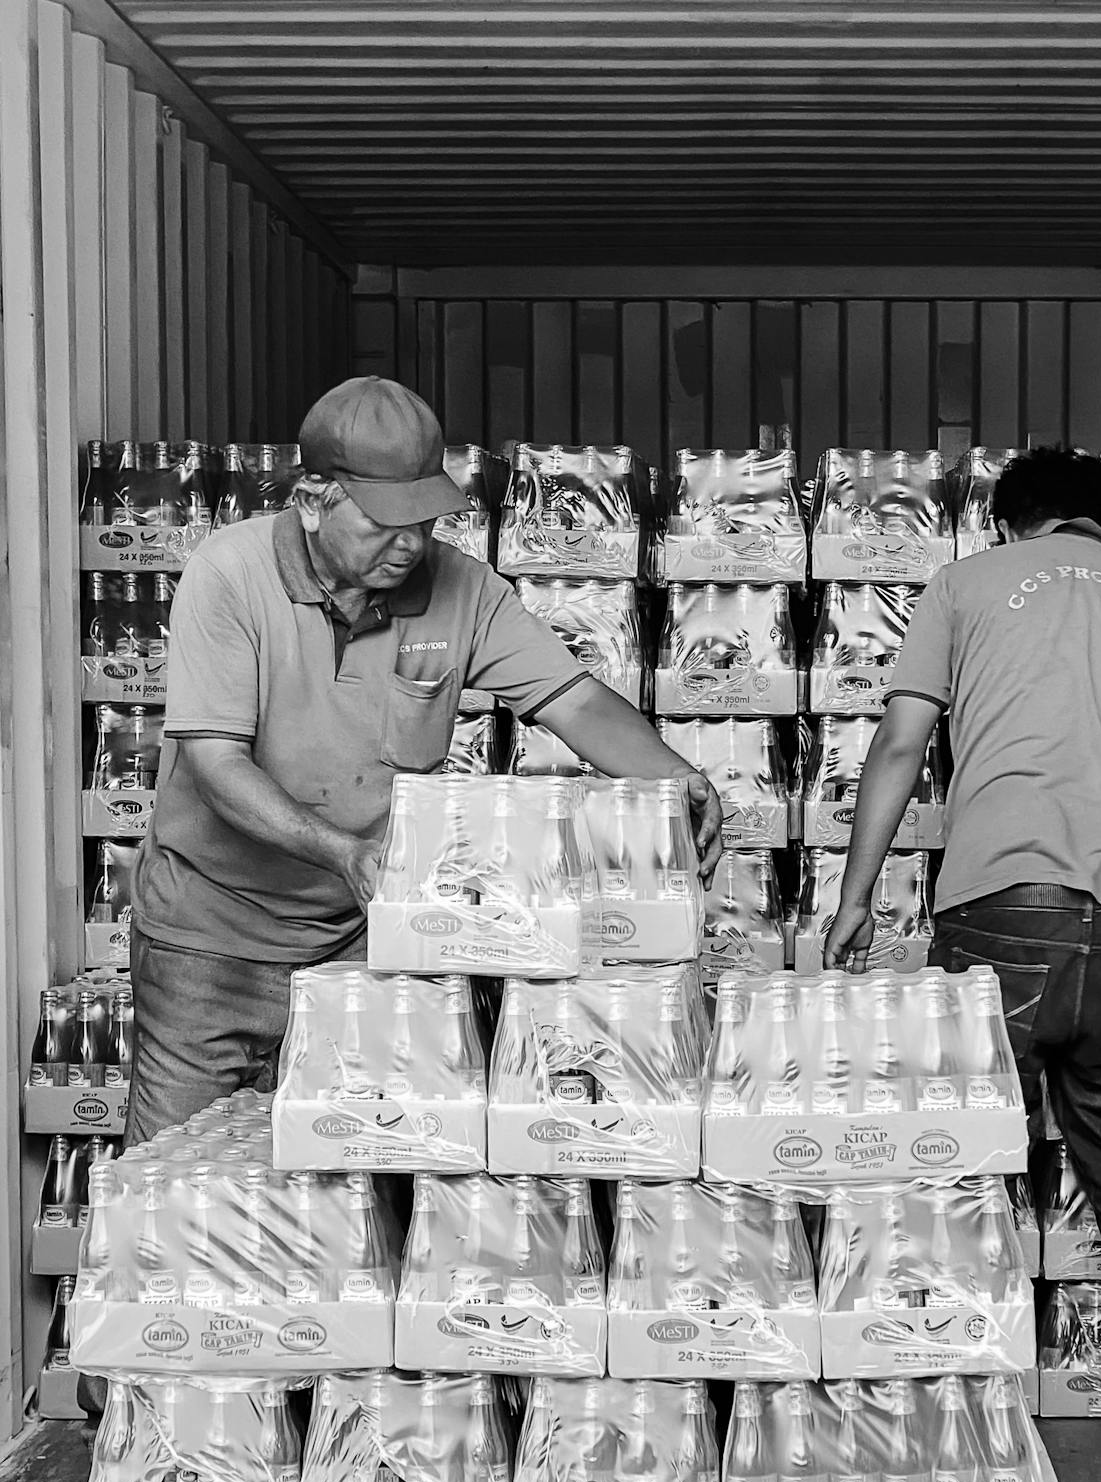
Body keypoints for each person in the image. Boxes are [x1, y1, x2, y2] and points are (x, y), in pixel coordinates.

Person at [126, 376, 722, 1147]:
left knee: (343, 1180)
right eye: (386, 522)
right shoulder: (230, 573)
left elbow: (575, 701)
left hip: (359, 942)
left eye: (427, 520)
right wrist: (343, 852)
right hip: (208, 941)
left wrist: (675, 777)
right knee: (174, 1178)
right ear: (312, 499)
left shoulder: (461, 589)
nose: (410, 545)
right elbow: (215, 762)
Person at [823, 446, 1101, 1464]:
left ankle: (942, 1390)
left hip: (995, 916)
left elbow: (901, 743)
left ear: (1010, 523)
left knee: (959, 1162)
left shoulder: (965, 583)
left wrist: (855, 892)